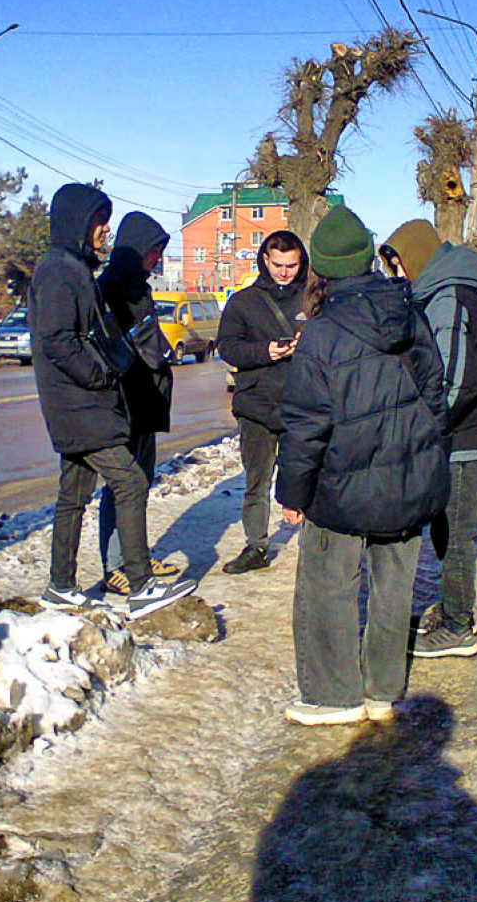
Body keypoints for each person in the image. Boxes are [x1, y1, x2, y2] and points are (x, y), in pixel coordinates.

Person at [276, 206, 449, 726]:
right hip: (406, 484)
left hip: (340, 490)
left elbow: (306, 427)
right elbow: (435, 397)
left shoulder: (321, 335)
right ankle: (381, 692)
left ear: (320, 268)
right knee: (394, 592)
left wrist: (293, 496)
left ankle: (333, 697)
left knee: (327, 588)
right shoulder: (409, 313)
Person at [28, 182, 195, 618]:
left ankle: (61, 585)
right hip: (79, 404)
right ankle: (139, 586)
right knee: (130, 481)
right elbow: (58, 341)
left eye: (105, 222)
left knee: (74, 493)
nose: (105, 230)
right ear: (78, 223)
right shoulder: (59, 271)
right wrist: (101, 375)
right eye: (98, 221)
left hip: (80, 404)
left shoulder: (71, 268)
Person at [381, 218, 477, 659]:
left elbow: (453, 381)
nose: (397, 274)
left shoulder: (449, 298)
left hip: (465, 434)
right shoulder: (448, 291)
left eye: (398, 264)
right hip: (469, 430)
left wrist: (422, 433)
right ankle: (455, 610)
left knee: (455, 533)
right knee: (446, 525)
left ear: (416, 256)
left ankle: (459, 626)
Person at [97, 211, 179, 595]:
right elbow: (113, 347)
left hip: (146, 400)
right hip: (124, 401)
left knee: (141, 483)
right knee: (123, 486)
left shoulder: (140, 287)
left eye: (160, 252)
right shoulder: (110, 288)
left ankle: (136, 556)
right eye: (153, 252)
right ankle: (116, 566)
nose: (157, 259)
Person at [217, 230, 309, 575]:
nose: (284, 272)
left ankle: (315, 544)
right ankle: (256, 545)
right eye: (278, 264)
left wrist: (308, 343)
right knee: (257, 479)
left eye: (292, 265)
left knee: (305, 473)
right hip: (256, 403)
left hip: (302, 403)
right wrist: (264, 352)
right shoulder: (243, 302)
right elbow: (226, 346)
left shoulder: (312, 300)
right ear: (265, 261)